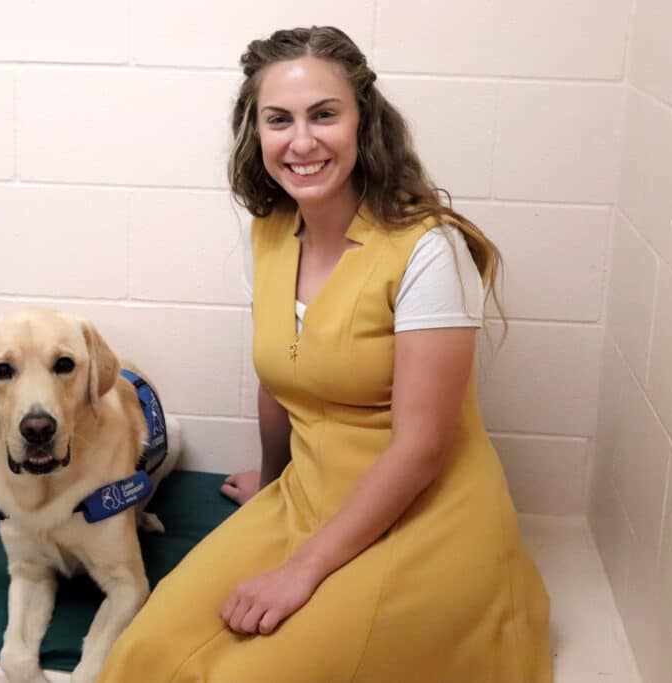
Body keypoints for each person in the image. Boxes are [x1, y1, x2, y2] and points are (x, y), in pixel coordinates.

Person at [97, 26, 551, 683]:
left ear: (364, 122)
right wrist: (273, 481)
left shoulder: (427, 249)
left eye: (324, 115)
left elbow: (422, 447)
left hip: (424, 514)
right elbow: (281, 380)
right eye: (279, 119)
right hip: (308, 495)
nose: (301, 141)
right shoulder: (270, 234)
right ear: (256, 131)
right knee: (140, 655)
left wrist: (301, 570)